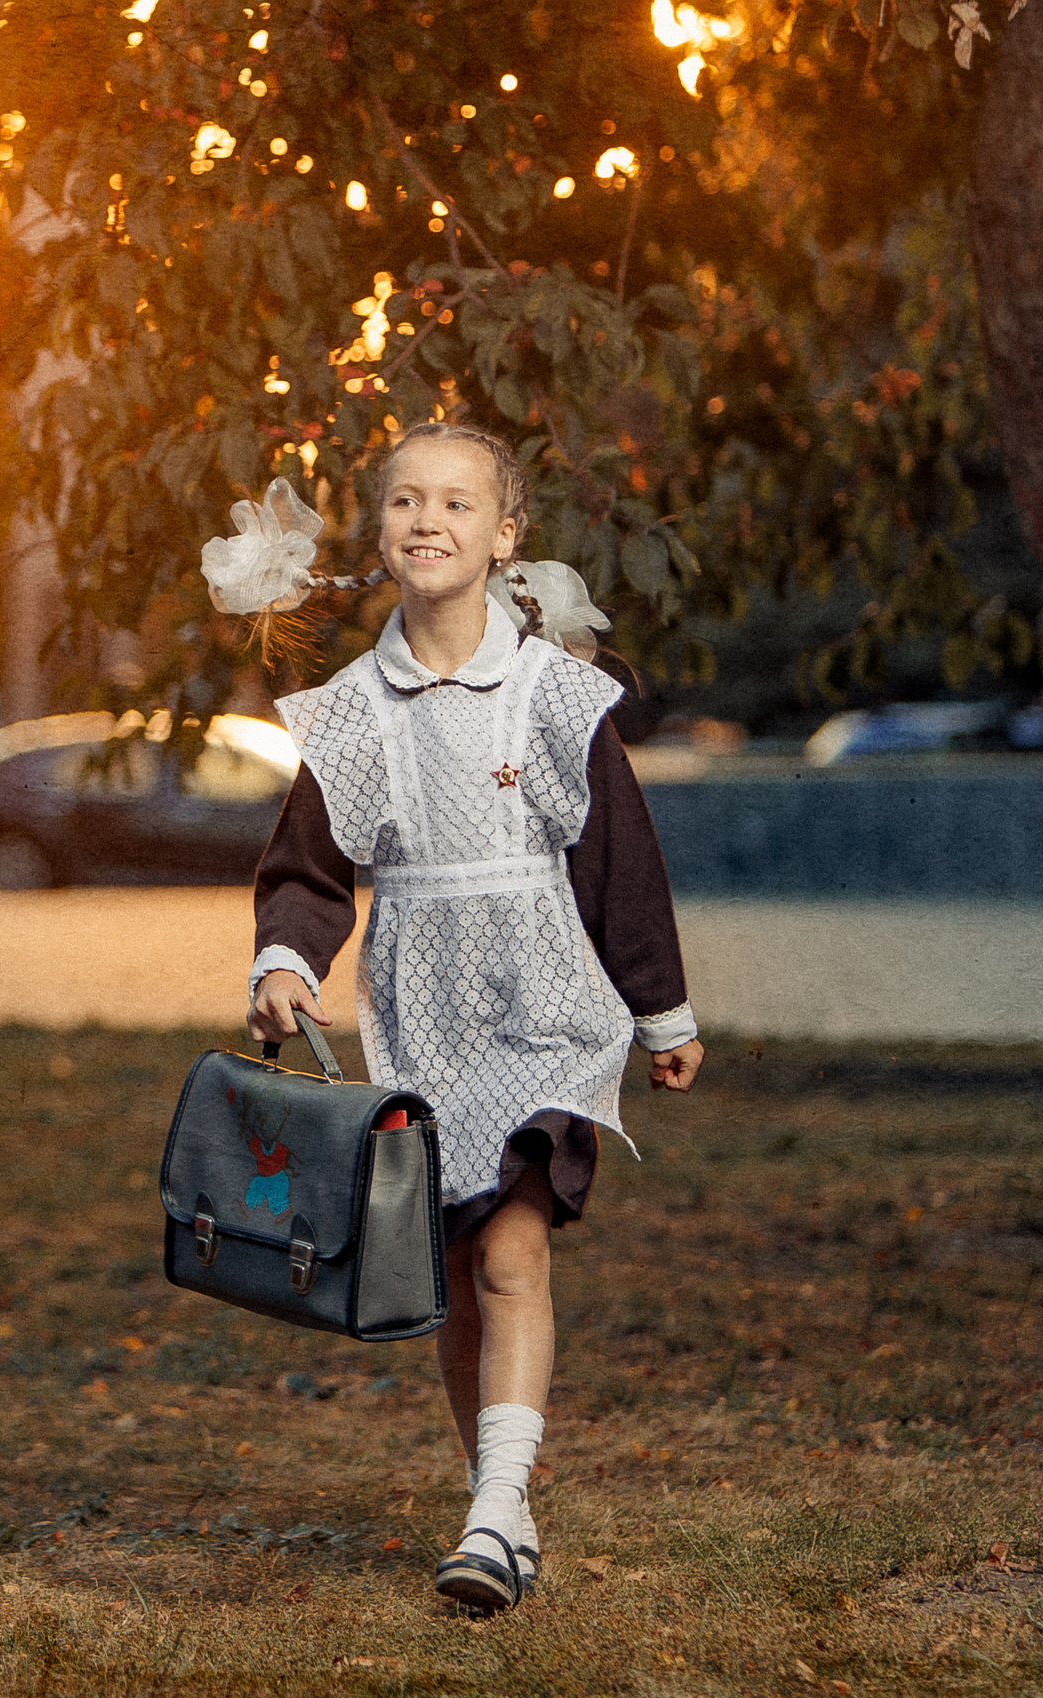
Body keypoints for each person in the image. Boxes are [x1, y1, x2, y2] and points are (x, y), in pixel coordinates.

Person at [237, 422, 705, 1615]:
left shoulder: (556, 697)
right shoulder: (350, 712)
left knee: (512, 1247)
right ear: (381, 531)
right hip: (420, 1010)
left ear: (506, 537)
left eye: (456, 502)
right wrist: (286, 961)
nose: (426, 520)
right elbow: (308, 866)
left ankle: (497, 1511)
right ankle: (498, 1505)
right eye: (403, 501)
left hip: (546, 1001)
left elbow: (620, 864)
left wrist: (661, 1013)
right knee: (453, 1260)